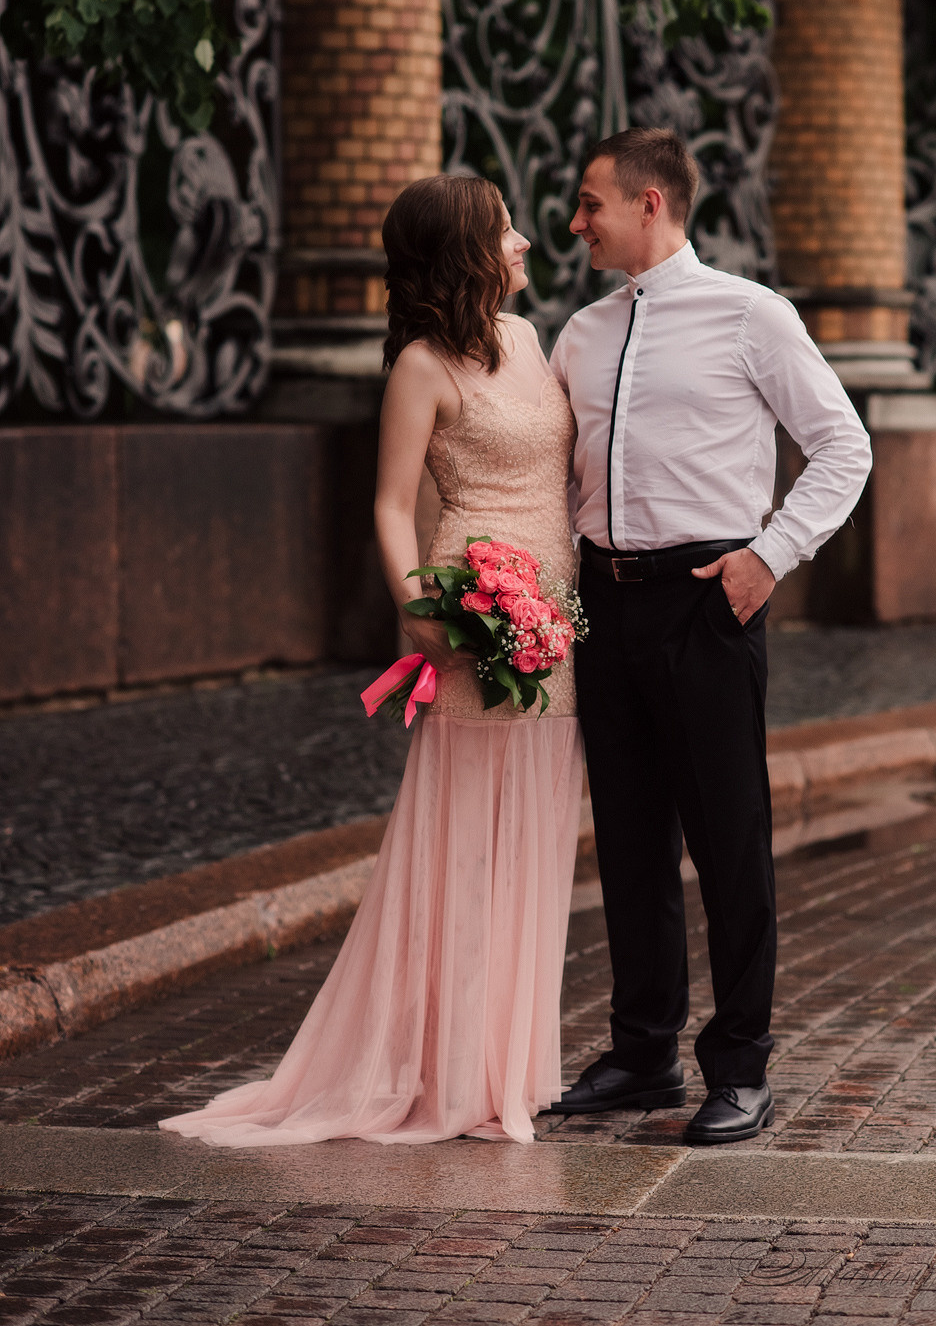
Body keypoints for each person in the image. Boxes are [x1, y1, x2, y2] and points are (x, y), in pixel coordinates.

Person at [160, 174, 583, 1146]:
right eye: (506, 231)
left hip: (551, 622)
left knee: (539, 825)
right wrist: (425, 618)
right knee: (470, 837)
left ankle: (507, 1068)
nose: (524, 244)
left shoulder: (527, 342)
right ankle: (453, 1073)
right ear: (465, 253)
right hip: (474, 612)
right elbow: (393, 507)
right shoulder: (420, 369)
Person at [548, 127, 872, 1145]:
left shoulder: (749, 315)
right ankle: (642, 1053)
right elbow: (562, 482)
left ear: (650, 203)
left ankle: (738, 1065)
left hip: (706, 601)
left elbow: (840, 446)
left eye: (590, 202)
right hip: (606, 604)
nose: (576, 221)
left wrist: (766, 557)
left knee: (728, 844)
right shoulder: (578, 335)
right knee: (630, 841)